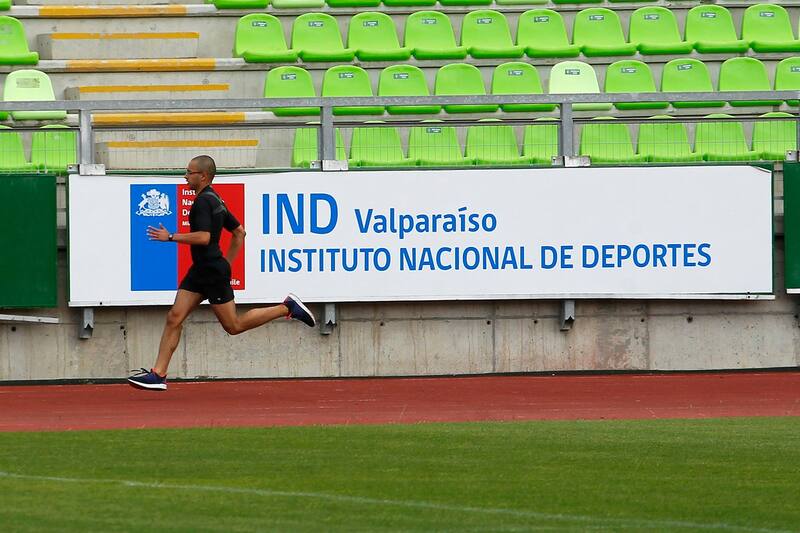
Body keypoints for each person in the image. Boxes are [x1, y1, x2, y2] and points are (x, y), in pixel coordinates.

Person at [128, 155, 315, 391]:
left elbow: (204, 237)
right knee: (174, 317)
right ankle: (158, 374)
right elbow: (239, 232)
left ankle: (287, 307)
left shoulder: (203, 202)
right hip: (202, 270)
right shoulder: (215, 198)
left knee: (233, 326)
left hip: (211, 272)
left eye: (189, 172)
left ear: (203, 176)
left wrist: (171, 237)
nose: (185, 176)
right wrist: (227, 263)